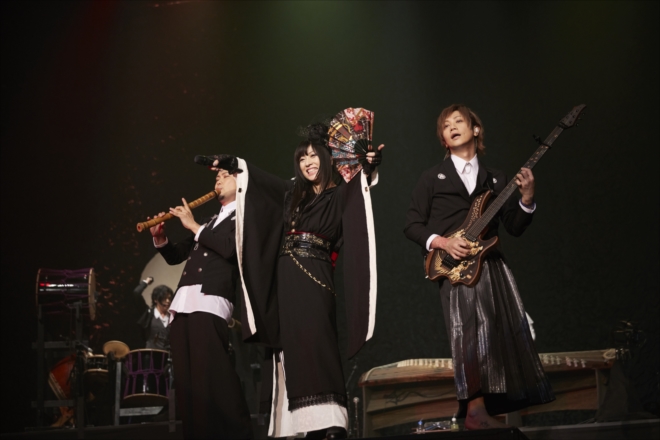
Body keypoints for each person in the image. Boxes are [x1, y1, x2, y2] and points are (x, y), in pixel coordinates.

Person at [208, 120, 383, 439]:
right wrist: (236, 165)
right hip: (285, 274)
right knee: (291, 344)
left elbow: (362, 183)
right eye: (302, 158)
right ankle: (303, 425)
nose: (308, 162)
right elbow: (261, 183)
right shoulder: (292, 195)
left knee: (318, 340)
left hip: (316, 271)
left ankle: (332, 420)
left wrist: (369, 165)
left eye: (314, 156)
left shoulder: (339, 194)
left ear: (326, 159)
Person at [404, 104, 554, 430]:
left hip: (491, 266)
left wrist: (527, 198)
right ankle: (473, 408)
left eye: (459, 121)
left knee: (498, 335)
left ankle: (493, 408)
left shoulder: (496, 178)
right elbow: (412, 224)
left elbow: (514, 226)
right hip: (455, 268)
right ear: (443, 140)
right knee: (467, 336)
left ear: (475, 130)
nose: (452, 127)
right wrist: (443, 243)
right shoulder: (432, 177)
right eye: (446, 125)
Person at [148, 169, 252, 439]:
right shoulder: (210, 220)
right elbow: (176, 255)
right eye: (216, 177)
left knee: (214, 377)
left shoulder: (246, 217)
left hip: (211, 301)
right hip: (183, 303)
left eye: (225, 175)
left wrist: (194, 226)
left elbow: (229, 248)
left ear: (242, 182)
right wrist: (160, 239)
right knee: (188, 386)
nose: (218, 179)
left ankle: (238, 433)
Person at [135, 283, 173, 350]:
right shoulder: (149, 314)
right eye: (164, 298)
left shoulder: (172, 318)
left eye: (169, 298)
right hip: (149, 354)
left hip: (166, 355)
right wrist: (146, 282)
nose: (168, 301)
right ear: (156, 300)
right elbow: (136, 293)